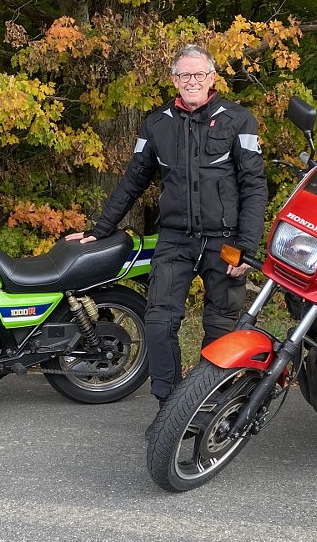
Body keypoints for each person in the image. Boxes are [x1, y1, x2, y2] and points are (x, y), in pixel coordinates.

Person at [67, 43, 268, 435]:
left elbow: (254, 186)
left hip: (225, 241)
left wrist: (247, 245)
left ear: (212, 78)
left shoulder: (239, 120)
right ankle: (170, 407)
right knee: (158, 322)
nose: (192, 81)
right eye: (184, 75)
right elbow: (133, 181)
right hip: (175, 239)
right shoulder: (156, 123)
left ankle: (210, 407)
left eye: (199, 75)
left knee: (220, 328)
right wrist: (99, 229)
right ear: (174, 80)